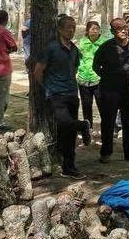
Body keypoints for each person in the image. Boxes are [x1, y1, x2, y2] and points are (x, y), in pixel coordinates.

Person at [33, 15, 91, 179]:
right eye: (68, 27)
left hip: (72, 93)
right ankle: (84, 125)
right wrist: (47, 87)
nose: (71, 30)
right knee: (64, 122)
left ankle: (69, 167)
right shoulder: (51, 48)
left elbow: (73, 69)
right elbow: (38, 71)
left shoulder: (74, 49)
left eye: (73, 27)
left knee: (68, 132)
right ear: (59, 29)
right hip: (56, 95)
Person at [93, 18, 129, 163]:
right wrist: (107, 77)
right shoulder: (106, 47)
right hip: (109, 91)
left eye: (125, 27)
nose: (124, 31)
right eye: (119, 29)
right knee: (108, 122)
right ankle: (106, 152)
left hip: (128, 90)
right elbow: (95, 66)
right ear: (113, 32)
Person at [76, 21, 107, 129]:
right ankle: (88, 129)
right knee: (86, 106)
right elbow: (78, 58)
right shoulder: (82, 42)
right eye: (93, 28)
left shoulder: (104, 43)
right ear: (87, 31)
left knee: (102, 106)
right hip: (83, 79)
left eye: (97, 28)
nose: (95, 30)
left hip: (99, 79)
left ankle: (106, 128)